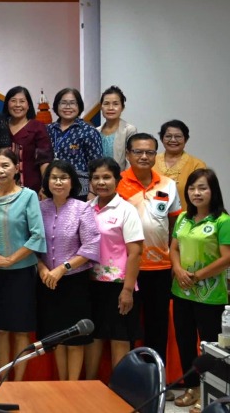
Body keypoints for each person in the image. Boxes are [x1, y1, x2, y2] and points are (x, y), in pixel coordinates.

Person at [0, 148, 46, 381]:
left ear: (17, 168)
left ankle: (18, 384)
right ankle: (3, 381)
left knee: (20, 330)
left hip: (21, 273)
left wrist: (11, 259)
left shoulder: (28, 196)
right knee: (0, 329)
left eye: (5, 165)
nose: (0, 170)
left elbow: (37, 236)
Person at [116, 133, 182, 366]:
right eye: (138, 152)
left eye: (150, 152)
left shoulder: (168, 184)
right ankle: (130, 379)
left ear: (156, 155)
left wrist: (175, 260)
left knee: (157, 326)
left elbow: (174, 224)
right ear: (127, 154)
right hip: (125, 268)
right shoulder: (116, 182)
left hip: (160, 267)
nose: (144, 156)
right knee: (127, 326)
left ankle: (156, 377)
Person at [169, 169, 230, 409]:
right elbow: (173, 248)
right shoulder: (183, 217)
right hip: (181, 291)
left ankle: (212, 393)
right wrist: (179, 270)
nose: (197, 193)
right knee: (184, 342)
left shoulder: (222, 221)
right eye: (192, 188)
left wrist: (196, 276)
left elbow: (227, 258)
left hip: (210, 295)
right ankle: (192, 388)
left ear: (213, 191)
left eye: (202, 188)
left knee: (210, 347)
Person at [37, 160, 100, 381]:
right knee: (57, 338)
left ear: (72, 181)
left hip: (74, 281)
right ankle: (62, 385)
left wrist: (62, 269)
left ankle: (73, 387)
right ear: (47, 181)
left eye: (63, 177)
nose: (58, 182)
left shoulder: (82, 208)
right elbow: (33, 242)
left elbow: (91, 246)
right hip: (47, 281)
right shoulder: (39, 207)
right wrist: (43, 268)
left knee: (75, 339)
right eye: (54, 177)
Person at [84, 157, 144, 378]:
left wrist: (128, 290)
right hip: (90, 284)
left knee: (120, 338)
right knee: (94, 335)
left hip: (119, 285)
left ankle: (119, 391)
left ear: (117, 180)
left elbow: (136, 252)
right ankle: (89, 386)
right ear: (90, 181)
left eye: (107, 177)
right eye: (96, 178)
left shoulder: (126, 210)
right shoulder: (85, 208)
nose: (101, 182)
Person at [46, 88, 102, 200]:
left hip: (80, 190)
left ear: (79, 106)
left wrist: (92, 191)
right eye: (63, 103)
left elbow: (96, 165)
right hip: (53, 187)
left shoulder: (89, 131)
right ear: (57, 106)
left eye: (72, 103)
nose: (68, 107)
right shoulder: (47, 130)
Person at [2, 86, 52, 193]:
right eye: (13, 101)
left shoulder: (37, 127)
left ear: (28, 105)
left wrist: (45, 186)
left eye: (22, 101)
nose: (18, 105)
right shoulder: (1, 126)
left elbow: (44, 160)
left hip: (32, 188)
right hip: (3, 187)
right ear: (7, 104)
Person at [154, 119, 206, 208]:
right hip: (154, 218)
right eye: (168, 136)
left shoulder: (197, 165)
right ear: (162, 139)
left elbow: (201, 195)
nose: (173, 140)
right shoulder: (151, 161)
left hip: (186, 218)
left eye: (178, 136)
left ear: (186, 139)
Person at [96, 86, 136, 169]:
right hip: (99, 179)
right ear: (101, 107)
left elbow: (131, 160)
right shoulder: (96, 131)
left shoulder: (129, 130)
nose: (110, 108)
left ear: (122, 107)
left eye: (115, 104)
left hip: (122, 178)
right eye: (106, 104)